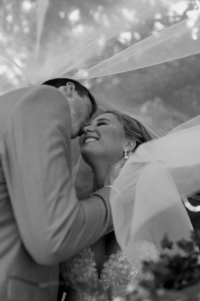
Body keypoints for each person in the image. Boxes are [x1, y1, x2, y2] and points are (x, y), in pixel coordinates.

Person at [0, 78, 117, 301]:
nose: (82, 131)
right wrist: (114, 195)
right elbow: (53, 237)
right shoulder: (44, 99)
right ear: (69, 89)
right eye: (86, 117)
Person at [61, 110, 195, 301]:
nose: (87, 128)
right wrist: (108, 191)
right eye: (88, 125)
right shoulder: (77, 208)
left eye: (102, 123)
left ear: (129, 143)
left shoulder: (155, 206)